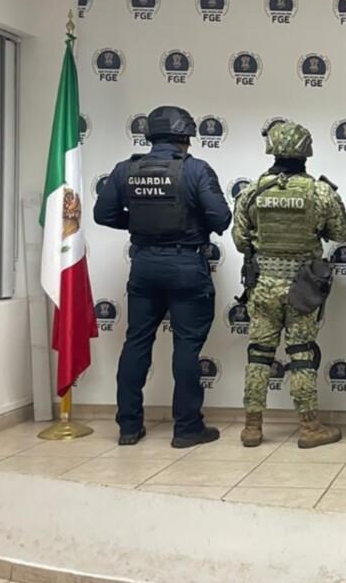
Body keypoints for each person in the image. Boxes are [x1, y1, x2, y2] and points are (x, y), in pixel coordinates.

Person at [93, 105, 231, 448]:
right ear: (185, 136)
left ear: (151, 135)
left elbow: (103, 214)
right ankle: (187, 429)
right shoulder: (195, 169)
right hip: (186, 265)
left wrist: (140, 223)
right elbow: (220, 218)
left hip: (144, 265)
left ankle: (128, 427)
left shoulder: (125, 170)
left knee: (137, 341)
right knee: (186, 347)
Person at [232, 121, 346, 449]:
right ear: (306, 152)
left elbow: (240, 241)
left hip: (262, 286)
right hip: (303, 288)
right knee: (301, 355)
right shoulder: (320, 192)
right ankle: (309, 428)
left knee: (259, 354)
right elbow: (341, 233)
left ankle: (252, 427)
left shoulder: (252, 191)